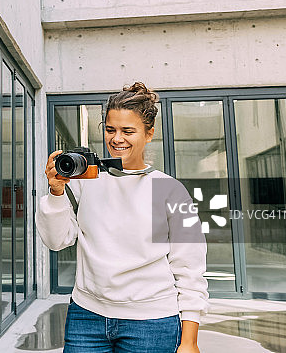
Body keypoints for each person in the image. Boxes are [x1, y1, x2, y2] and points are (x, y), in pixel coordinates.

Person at [37, 82, 208, 353]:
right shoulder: (84, 182)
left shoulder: (172, 190)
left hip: (152, 323)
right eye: (110, 129)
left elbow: (191, 268)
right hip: (86, 317)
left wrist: (189, 340)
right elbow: (57, 241)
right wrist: (56, 193)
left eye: (128, 131)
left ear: (149, 134)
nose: (117, 139)